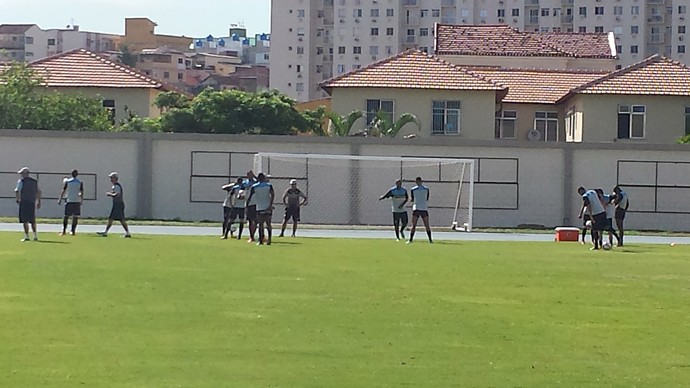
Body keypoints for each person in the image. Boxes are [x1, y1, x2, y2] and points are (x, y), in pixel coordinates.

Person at [97, 172, 131, 238]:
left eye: (112, 178)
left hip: (118, 204)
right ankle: (106, 232)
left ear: (115, 178)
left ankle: (127, 233)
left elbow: (117, 195)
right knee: (113, 219)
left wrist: (109, 194)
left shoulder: (116, 186)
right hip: (117, 204)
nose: (111, 179)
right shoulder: (115, 186)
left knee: (119, 219)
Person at [246, 173, 275, 246]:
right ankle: (269, 240)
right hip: (268, 207)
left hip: (259, 207)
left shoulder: (254, 186)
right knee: (268, 224)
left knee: (260, 224)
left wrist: (247, 206)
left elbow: (250, 197)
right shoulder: (269, 185)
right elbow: (273, 194)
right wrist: (270, 204)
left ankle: (261, 241)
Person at [14, 167, 41, 242]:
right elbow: (38, 191)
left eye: (22, 173)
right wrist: (39, 201)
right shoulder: (34, 182)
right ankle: (35, 235)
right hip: (31, 202)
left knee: (25, 220)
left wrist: (18, 199)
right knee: (32, 220)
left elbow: (17, 190)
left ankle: (27, 236)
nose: (21, 175)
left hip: (24, 202)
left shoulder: (21, 181)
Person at [58, 169, 84, 236]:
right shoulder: (80, 182)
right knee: (75, 217)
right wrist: (81, 200)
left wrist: (60, 199)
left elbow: (63, 190)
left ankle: (64, 231)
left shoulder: (68, 182)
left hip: (69, 200)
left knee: (66, 216)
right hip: (76, 201)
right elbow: (81, 192)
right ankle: (73, 231)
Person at [408, 177, 432, 244]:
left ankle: (410, 240)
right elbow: (427, 198)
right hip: (423, 208)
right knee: (426, 225)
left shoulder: (413, 189)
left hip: (417, 208)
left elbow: (412, 199)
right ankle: (430, 240)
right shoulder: (426, 189)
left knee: (414, 225)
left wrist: (410, 199)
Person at [243, 170, 259, 243]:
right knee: (250, 220)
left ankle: (254, 235)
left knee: (255, 221)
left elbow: (261, 181)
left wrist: (255, 176)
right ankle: (251, 236)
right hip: (248, 203)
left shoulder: (256, 182)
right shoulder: (245, 183)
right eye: (248, 174)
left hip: (256, 203)